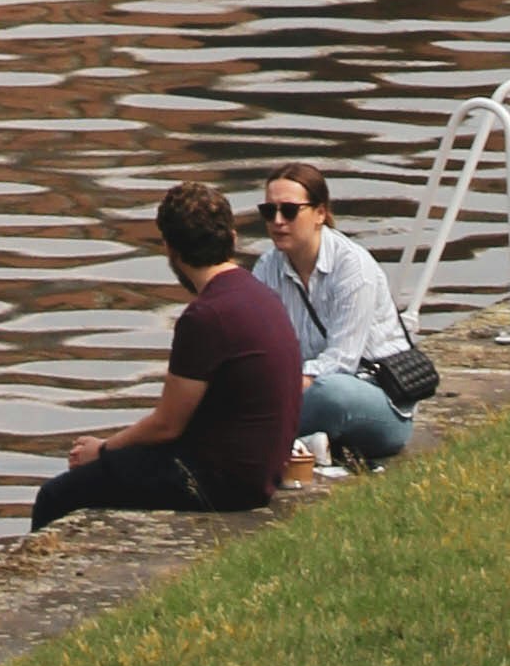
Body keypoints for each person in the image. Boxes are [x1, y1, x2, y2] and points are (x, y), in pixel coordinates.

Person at [28, 178, 306, 532]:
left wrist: (102, 450)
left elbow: (167, 424)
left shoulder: (207, 316)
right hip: (260, 470)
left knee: (58, 495)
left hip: (224, 483)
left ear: (170, 249)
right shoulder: (260, 295)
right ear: (232, 239)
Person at [250, 167, 418, 469]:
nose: (277, 221)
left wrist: (279, 386)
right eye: (268, 210)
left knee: (332, 394)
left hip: (374, 399)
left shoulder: (353, 268)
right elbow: (258, 344)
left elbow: (342, 362)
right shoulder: (267, 267)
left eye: (289, 211)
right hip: (301, 391)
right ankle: (300, 443)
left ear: (319, 213)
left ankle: (257, 440)